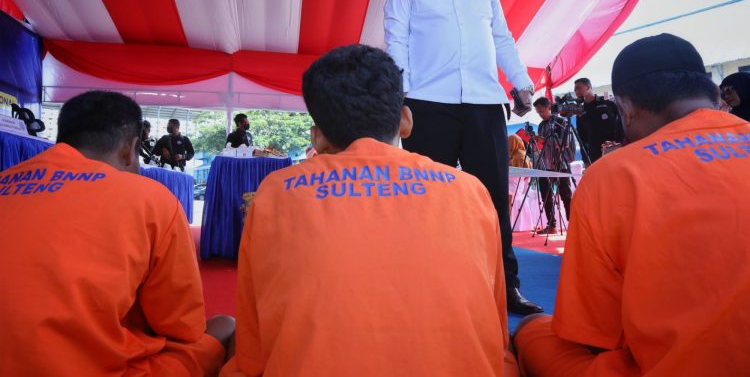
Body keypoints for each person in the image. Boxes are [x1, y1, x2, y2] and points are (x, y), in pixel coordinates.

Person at [221, 45, 519, 376]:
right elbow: (494, 334)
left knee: (225, 335)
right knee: (531, 333)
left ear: (317, 138)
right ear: (405, 121)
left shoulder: (273, 194)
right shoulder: (470, 190)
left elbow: (254, 350)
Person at [513, 33, 750, 376]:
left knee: (534, 330)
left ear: (624, 109)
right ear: (715, 93)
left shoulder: (612, 175)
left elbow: (592, 334)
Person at [0, 91, 234, 375]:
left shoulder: (6, 180)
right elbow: (183, 327)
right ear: (130, 148)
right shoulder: (149, 198)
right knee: (224, 327)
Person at [384, 0, 541, 315]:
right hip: (425, 104)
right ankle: (423, 286)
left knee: (491, 202)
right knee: (426, 199)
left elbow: (502, 40)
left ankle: (507, 288)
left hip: (484, 104)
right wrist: (398, 94)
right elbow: (395, 40)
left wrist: (521, 84)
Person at [532, 97, 575, 233]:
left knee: (565, 195)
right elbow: (542, 144)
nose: (540, 114)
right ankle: (551, 225)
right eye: (538, 112)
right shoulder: (541, 125)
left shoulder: (561, 122)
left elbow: (565, 143)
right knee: (545, 195)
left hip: (560, 163)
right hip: (545, 164)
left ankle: (574, 224)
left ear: (549, 107)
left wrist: (547, 141)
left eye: (542, 111)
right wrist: (536, 141)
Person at [573, 77, 623, 164]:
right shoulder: (580, 111)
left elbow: (622, 123)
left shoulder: (608, 103)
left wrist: (620, 142)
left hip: (615, 148)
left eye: (578, 88)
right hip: (595, 154)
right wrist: (586, 160)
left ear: (588, 86)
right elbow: (582, 138)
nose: (576, 92)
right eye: (575, 89)